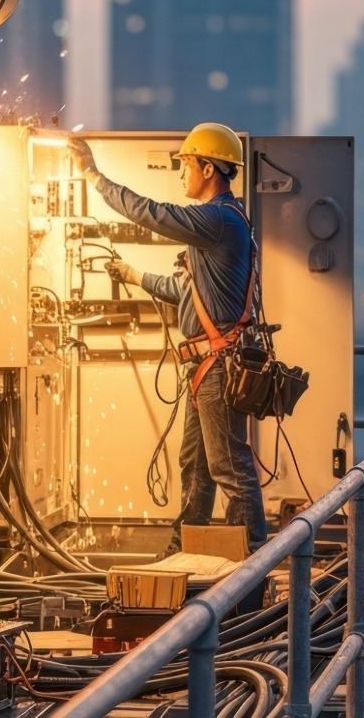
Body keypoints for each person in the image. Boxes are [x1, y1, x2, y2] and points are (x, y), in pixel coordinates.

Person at [69, 123, 267, 553]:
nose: (182, 174)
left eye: (187, 165)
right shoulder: (220, 226)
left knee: (229, 469)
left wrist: (94, 176)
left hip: (216, 369)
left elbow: (153, 213)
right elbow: (187, 293)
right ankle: (185, 553)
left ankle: (252, 565)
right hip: (204, 369)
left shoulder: (217, 219)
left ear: (209, 168)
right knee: (196, 466)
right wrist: (133, 275)